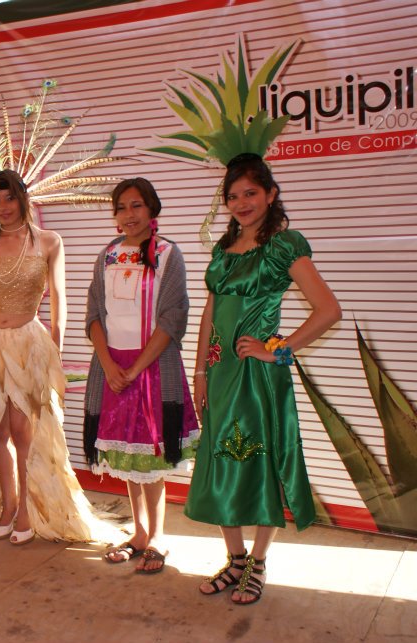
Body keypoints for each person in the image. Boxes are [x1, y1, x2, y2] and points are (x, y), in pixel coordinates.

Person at [184, 153, 341, 605]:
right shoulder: (221, 249)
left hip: (256, 378)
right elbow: (210, 314)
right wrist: (199, 372)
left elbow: (328, 309)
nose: (241, 203)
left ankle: (258, 560)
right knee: (219, 459)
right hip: (219, 374)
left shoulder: (284, 244)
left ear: (271, 194)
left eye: (250, 193)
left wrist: (278, 349)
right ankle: (234, 560)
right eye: (232, 196)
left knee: (259, 462)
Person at [0, 169, 119, 545]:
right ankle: (8, 506)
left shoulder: (49, 241)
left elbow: (59, 297)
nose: (3, 207)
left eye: (9, 198)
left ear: (22, 198)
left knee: (24, 431)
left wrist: (54, 349)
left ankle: (26, 508)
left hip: (28, 345)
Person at [83, 178, 199, 572]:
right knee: (125, 456)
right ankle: (139, 534)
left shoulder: (169, 255)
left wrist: (136, 367)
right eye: (121, 207)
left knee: (151, 460)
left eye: (136, 206)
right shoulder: (108, 255)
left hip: (152, 369)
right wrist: (110, 364)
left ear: (153, 211)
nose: (128, 215)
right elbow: (94, 316)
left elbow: (172, 319)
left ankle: (159, 537)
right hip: (112, 369)